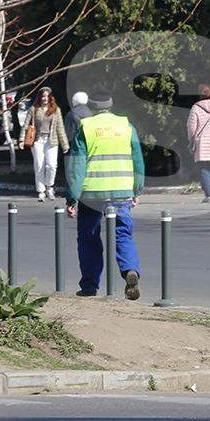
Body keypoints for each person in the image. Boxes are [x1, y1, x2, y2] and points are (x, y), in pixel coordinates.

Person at [64, 88, 145, 299]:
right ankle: (130, 271)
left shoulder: (86, 127)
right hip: (121, 191)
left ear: (91, 107)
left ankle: (90, 286)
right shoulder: (126, 126)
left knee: (89, 238)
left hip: (92, 194)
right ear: (110, 105)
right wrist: (136, 189)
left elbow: (77, 166)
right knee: (123, 234)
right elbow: (137, 161)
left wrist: (72, 197)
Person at [21, 87, 70, 201]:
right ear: (40, 97)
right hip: (38, 141)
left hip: (51, 141)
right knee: (39, 165)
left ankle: (49, 187)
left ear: (51, 97)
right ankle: (41, 191)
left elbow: (60, 128)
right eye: (43, 96)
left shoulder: (56, 110)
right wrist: (21, 140)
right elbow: (25, 125)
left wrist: (65, 144)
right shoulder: (33, 109)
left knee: (52, 165)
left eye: (47, 96)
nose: (45, 98)